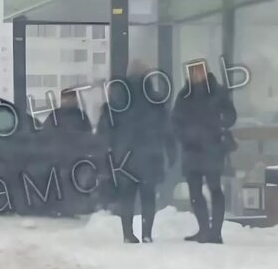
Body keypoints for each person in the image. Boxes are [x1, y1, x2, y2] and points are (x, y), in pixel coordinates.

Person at [96, 61, 174, 243]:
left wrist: (109, 152)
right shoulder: (155, 100)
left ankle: (128, 234)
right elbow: (167, 129)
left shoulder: (118, 99)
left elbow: (105, 129)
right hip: (149, 155)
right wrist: (170, 153)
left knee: (127, 196)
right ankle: (146, 234)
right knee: (148, 196)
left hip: (124, 156)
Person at [170, 63, 238, 244]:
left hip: (212, 149)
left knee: (215, 189)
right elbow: (175, 122)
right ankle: (204, 230)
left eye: (199, 70)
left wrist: (219, 126)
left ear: (206, 71)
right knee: (195, 191)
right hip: (192, 150)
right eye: (192, 71)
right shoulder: (184, 96)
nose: (196, 74)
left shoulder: (218, 92)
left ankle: (215, 232)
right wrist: (185, 136)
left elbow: (230, 116)